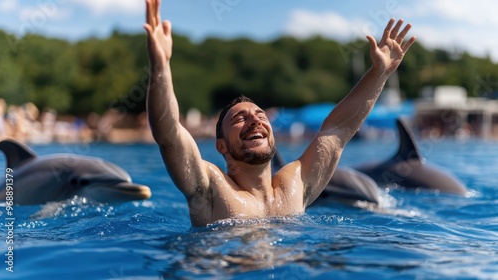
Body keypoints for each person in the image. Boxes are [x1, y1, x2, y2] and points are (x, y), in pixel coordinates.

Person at [144, 0, 416, 227]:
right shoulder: (211, 188)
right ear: (221, 146)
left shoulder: (293, 186)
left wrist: (378, 74)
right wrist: (160, 67)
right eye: (239, 119)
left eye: (260, 115)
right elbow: (169, 135)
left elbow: (337, 131)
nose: (254, 119)